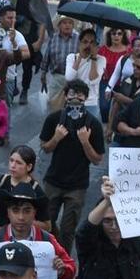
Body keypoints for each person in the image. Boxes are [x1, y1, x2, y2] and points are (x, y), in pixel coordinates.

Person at [38, 79, 104, 255]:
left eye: (80, 94)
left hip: (77, 185)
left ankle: (64, 262)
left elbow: (97, 159)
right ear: (66, 95)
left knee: (69, 228)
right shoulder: (54, 119)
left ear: (86, 98)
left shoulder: (93, 124)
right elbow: (45, 147)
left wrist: (85, 143)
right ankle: (49, 254)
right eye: (72, 93)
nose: (76, 97)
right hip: (54, 180)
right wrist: (56, 138)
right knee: (47, 223)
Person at [40, 16, 79, 111]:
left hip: (74, 78)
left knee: (73, 107)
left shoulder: (78, 39)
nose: (67, 25)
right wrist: (43, 74)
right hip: (57, 77)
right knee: (54, 106)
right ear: (59, 25)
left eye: (70, 23)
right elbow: (47, 56)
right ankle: (55, 124)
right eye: (64, 23)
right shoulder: (53, 38)